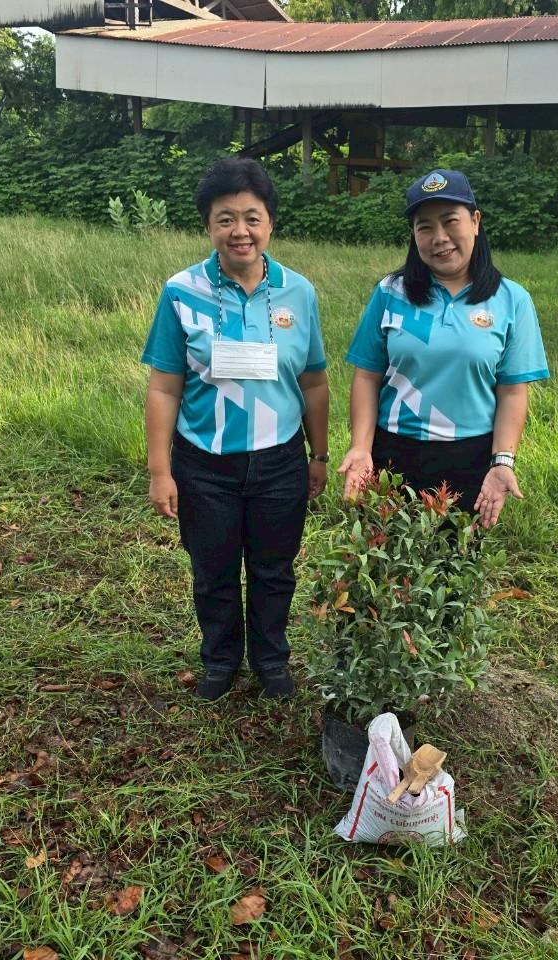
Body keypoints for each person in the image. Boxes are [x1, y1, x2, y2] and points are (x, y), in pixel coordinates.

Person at [142, 157, 329, 701]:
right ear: (208, 225)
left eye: (252, 216)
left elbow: (314, 382)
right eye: (226, 218)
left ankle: (271, 660)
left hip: (279, 462)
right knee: (214, 571)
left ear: (270, 222)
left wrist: (318, 455)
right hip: (204, 463)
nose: (239, 231)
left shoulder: (300, 293)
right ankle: (220, 660)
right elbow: (164, 387)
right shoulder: (181, 292)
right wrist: (160, 469)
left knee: (275, 570)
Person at [338, 169, 549, 528]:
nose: (439, 238)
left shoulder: (511, 300)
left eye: (451, 221)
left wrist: (502, 461)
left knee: (454, 572)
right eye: (425, 226)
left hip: (469, 458)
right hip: (392, 454)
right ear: (413, 234)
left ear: (476, 221)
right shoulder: (391, 292)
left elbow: (513, 391)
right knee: (386, 573)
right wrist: (361, 447)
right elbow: (367, 376)